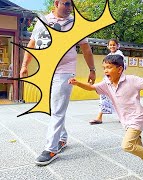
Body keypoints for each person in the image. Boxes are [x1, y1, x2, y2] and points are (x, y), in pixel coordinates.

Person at [68, 54, 143, 178]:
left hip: (137, 118)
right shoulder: (106, 84)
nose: (106, 70)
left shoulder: (131, 80)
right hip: (125, 120)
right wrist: (77, 83)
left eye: (109, 67)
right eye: (104, 68)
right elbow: (91, 87)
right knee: (139, 149)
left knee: (127, 145)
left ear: (119, 69)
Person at [19, 0, 96, 166]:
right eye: (66, 4)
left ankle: (51, 148)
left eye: (71, 5)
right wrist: (24, 65)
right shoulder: (43, 21)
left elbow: (86, 49)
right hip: (47, 69)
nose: (69, 8)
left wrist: (92, 69)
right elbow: (32, 44)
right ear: (56, 3)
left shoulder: (75, 23)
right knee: (54, 109)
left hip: (65, 71)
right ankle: (62, 138)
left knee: (58, 110)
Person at [90, 38, 124, 125]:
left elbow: (122, 67)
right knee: (104, 96)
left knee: (118, 97)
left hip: (116, 79)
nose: (112, 46)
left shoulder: (120, 55)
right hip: (108, 78)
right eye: (110, 45)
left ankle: (123, 116)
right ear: (108, 46)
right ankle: (99, 117)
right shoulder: (109, 55)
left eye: (114, 45)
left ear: (117, 46)